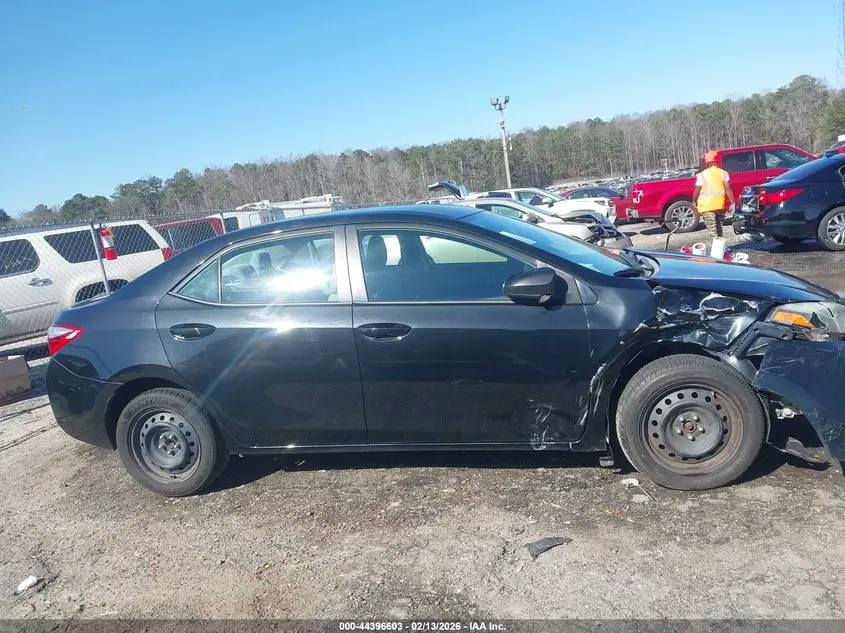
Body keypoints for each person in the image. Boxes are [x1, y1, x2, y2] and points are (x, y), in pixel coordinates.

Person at [693, 149, 735, 240]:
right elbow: (728, 188)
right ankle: (720, 250)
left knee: (713, 232)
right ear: (717, 160)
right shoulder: (723, 173)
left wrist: (694, 201)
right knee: (719, 230)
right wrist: (732, 203)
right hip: (720, 206)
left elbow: (697, 190)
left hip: (707, 207)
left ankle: (715, 252)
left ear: (707, 162)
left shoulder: (702, 175)